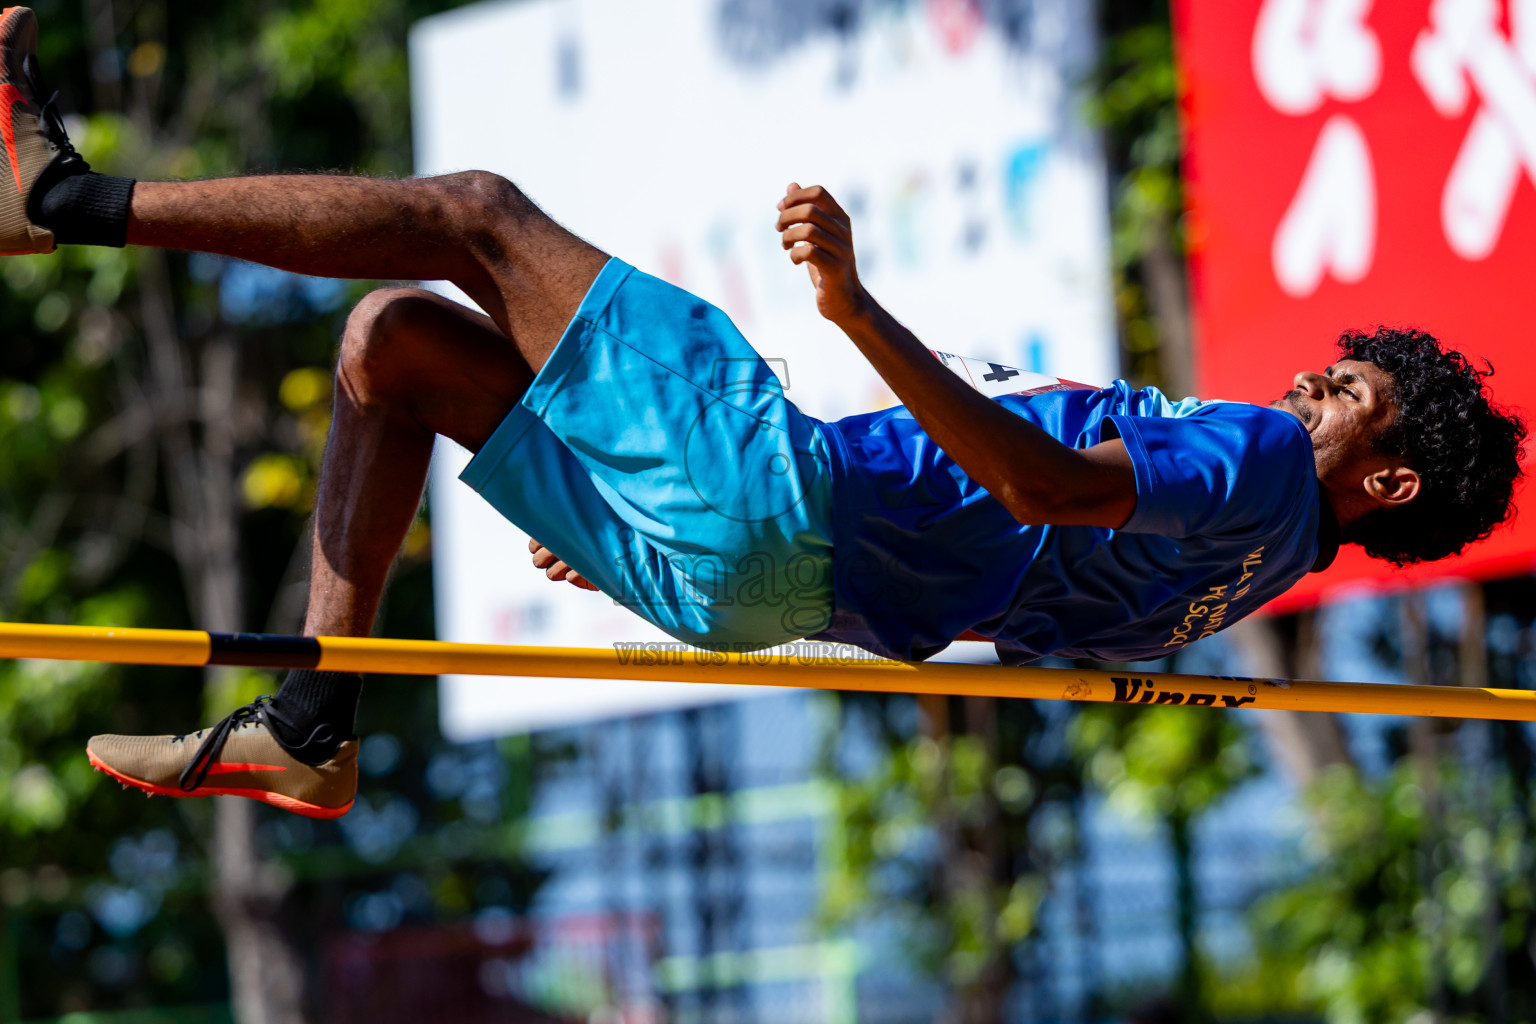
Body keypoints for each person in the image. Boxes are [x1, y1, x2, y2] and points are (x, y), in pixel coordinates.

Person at [0, 6, 1525, 818]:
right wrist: (674, 546)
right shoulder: (1218, 597)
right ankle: (309, 721)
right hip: (772, 583)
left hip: (782, 504)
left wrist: (860, 313)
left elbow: (1050, 492)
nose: (1309, 382)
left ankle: (59, 197)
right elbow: (957, 605)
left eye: (1350, 396)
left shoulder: (1256, 465)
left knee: (470, 215)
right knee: (393, 346)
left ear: (1383, 484)